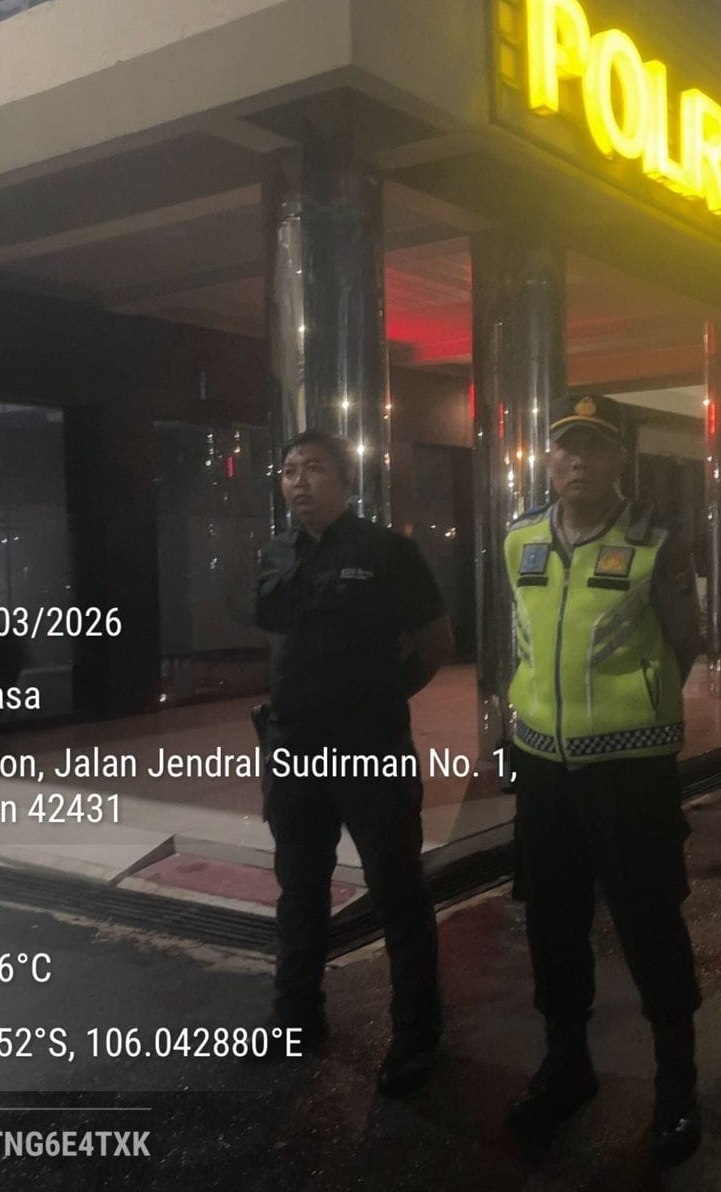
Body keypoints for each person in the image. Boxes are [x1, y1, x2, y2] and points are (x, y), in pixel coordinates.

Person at [500, 392, 705, 1166]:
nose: (576, 459)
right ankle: (567, 1064)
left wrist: (634, 709)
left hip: (629, 771)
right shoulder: (519, 536)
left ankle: (677, 1084)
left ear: (621, 457)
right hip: (542, 767)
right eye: (564, 445)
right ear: (546, 457)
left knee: (650, 923)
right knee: (552, 921)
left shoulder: (657, 540)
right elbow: (520, 634)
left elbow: (684, 641)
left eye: (593, 445)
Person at [254, 428, 455, 1095]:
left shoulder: (388, 552)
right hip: (292, 749)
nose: (299, 480)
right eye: (289, 470)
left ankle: (416, 1034)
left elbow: (434, 644)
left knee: (396, 888)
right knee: (300, 888)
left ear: (346, 481)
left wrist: (378, 700)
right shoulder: (277, 551)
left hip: (368, 746)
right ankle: (296, 1017)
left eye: (314, 468)